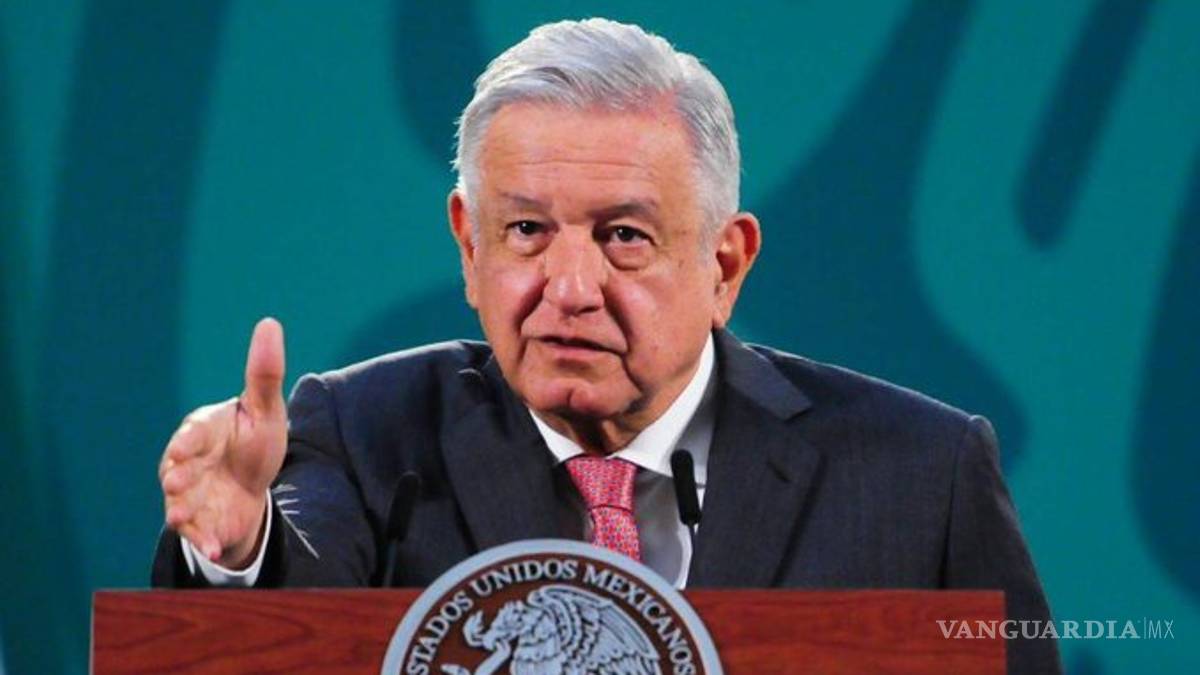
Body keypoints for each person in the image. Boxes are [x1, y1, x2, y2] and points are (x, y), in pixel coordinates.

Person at [152, 18, 1059, 673]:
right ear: (469, 248)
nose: (570, 287)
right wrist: (237, 557)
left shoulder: (922, 475)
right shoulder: (362, 433)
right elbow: (294, 625)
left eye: (624, 235)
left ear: (725, 264)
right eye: (527, 232)